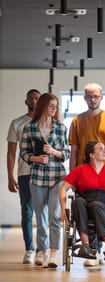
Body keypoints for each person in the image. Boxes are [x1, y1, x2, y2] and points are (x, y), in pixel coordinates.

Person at [68, 82, 105, 266]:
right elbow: (74, 152)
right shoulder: (77, 121)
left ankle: (97, 249)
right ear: (84, 98)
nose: (93, 99)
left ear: (101, 97)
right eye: (89, 96)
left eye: (96, 96)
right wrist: (72, 178)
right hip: (85, 175)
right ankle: (93, 250)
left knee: (97, 205)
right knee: (83, 205)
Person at [20, 93, 70, 269]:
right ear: (42, 106)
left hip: (57, 177)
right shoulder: (29, 128)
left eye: (56, 106)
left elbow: (66, 153)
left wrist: (54, 152)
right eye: (51, 105)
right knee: (39, 217)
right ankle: (42, 251)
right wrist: (36, 158)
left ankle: (54, 252)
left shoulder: (61, 128)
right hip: (36, 178)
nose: (54, 109)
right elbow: (24, 153)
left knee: (55, 215)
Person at [7, 89, 41, 264]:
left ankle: (43, 249)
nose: (35, 101)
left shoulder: (47, 121)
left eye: (37, 98)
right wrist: (10, 177)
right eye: (31, 99)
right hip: (24, 173)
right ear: (26, 101)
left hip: (44, 173)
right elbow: (11, 153)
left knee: (44, 212)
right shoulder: (17, 123)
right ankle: (29, 249)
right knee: (27, 212)